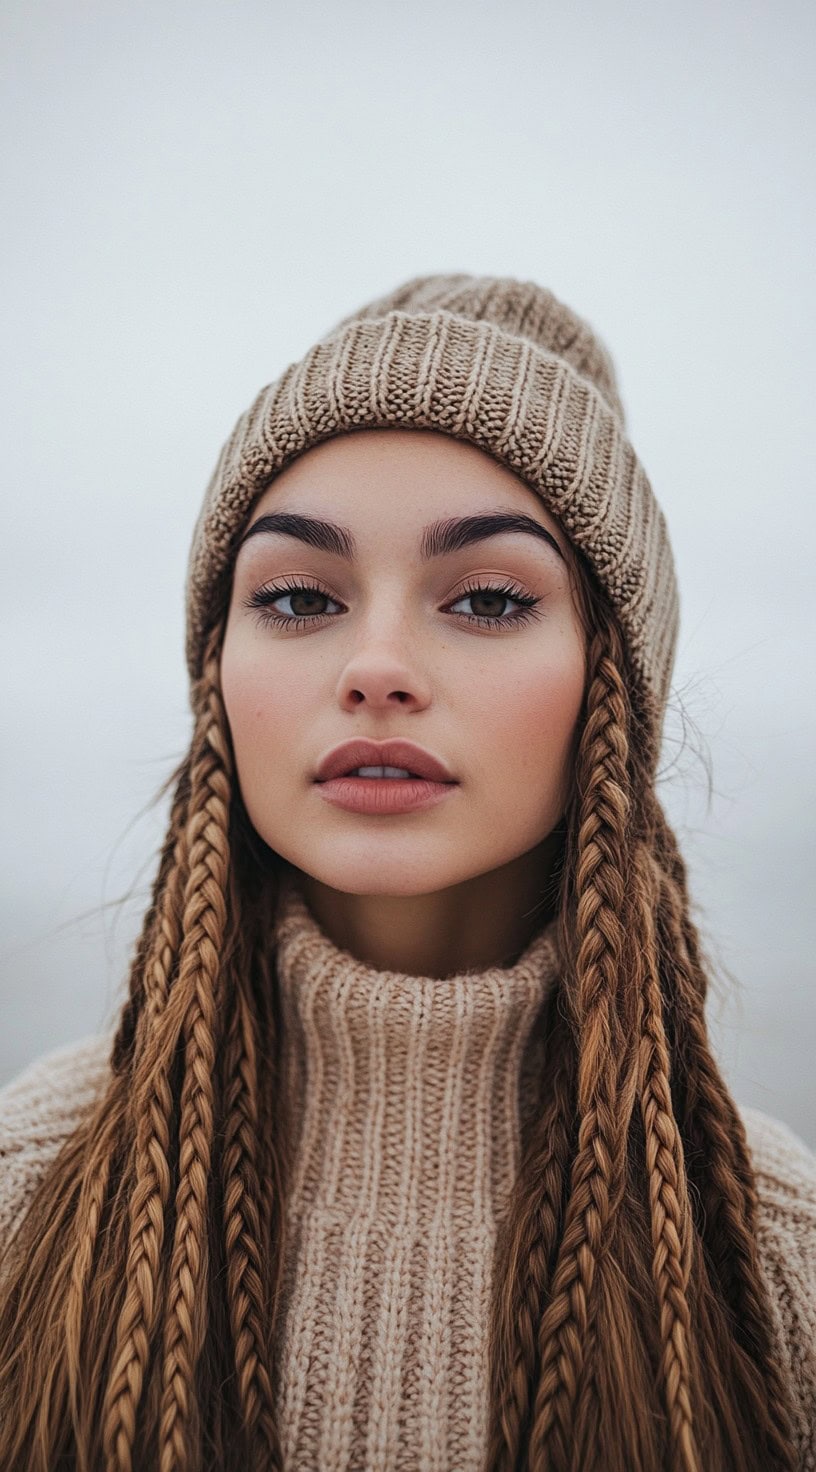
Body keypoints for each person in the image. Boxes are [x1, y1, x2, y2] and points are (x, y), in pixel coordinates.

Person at [0, 273, 813, 1472]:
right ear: (216, 671)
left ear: (612, 687)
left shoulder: (773, 1265)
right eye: (296, 597)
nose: (377, 666)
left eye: (488, 598)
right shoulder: (30, 1192)